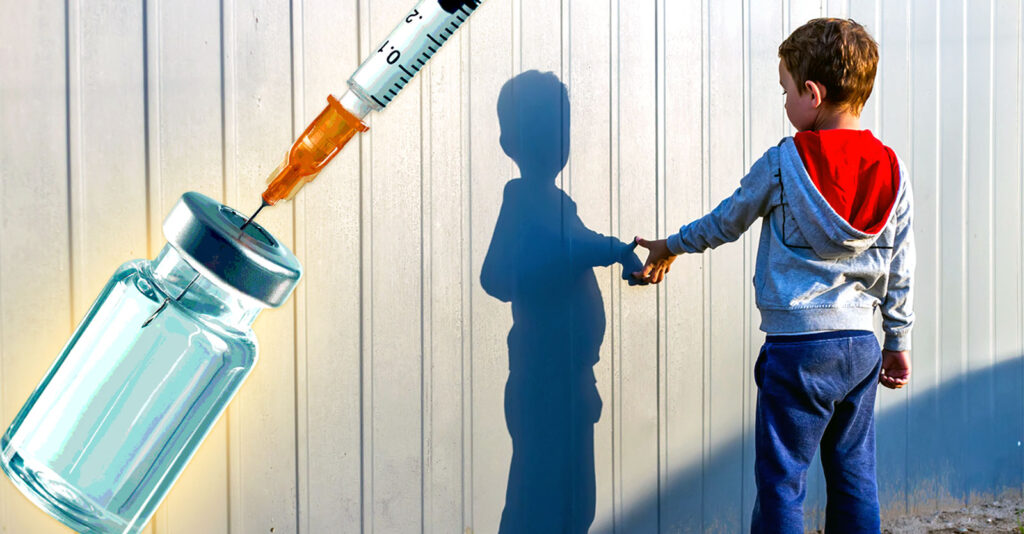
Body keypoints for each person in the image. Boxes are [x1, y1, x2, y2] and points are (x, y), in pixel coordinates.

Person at [632, 18, 914, 533]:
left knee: (783, 481)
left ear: (812, 94)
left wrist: (670, 245)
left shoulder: (785, 162)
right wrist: (897, 340)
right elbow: (900, 264)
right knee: (855, 476)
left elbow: (726, 221)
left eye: (785, 91)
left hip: (798, 348)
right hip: (860, 346)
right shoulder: (892, 169)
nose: (784, 102)